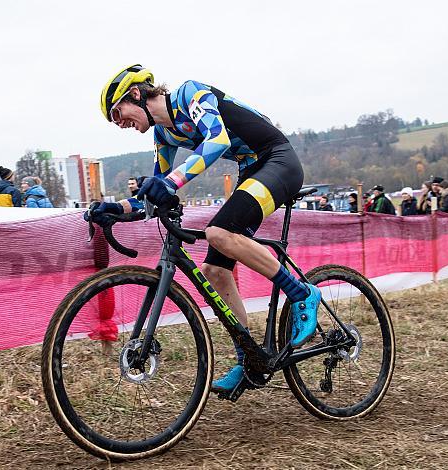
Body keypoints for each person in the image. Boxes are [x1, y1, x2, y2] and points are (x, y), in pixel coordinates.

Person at [89, 64, 321, 393]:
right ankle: (249, 360)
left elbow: (217, 140)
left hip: (277, 161)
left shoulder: (190, 93)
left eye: (117, 112)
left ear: (136, 94)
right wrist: (118, 208)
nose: (120, 123)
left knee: (219, 233)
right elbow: (154, 194)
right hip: (251, 168)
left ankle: (302, 293)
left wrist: (169, 183)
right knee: (214, 269)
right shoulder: (163, 135)